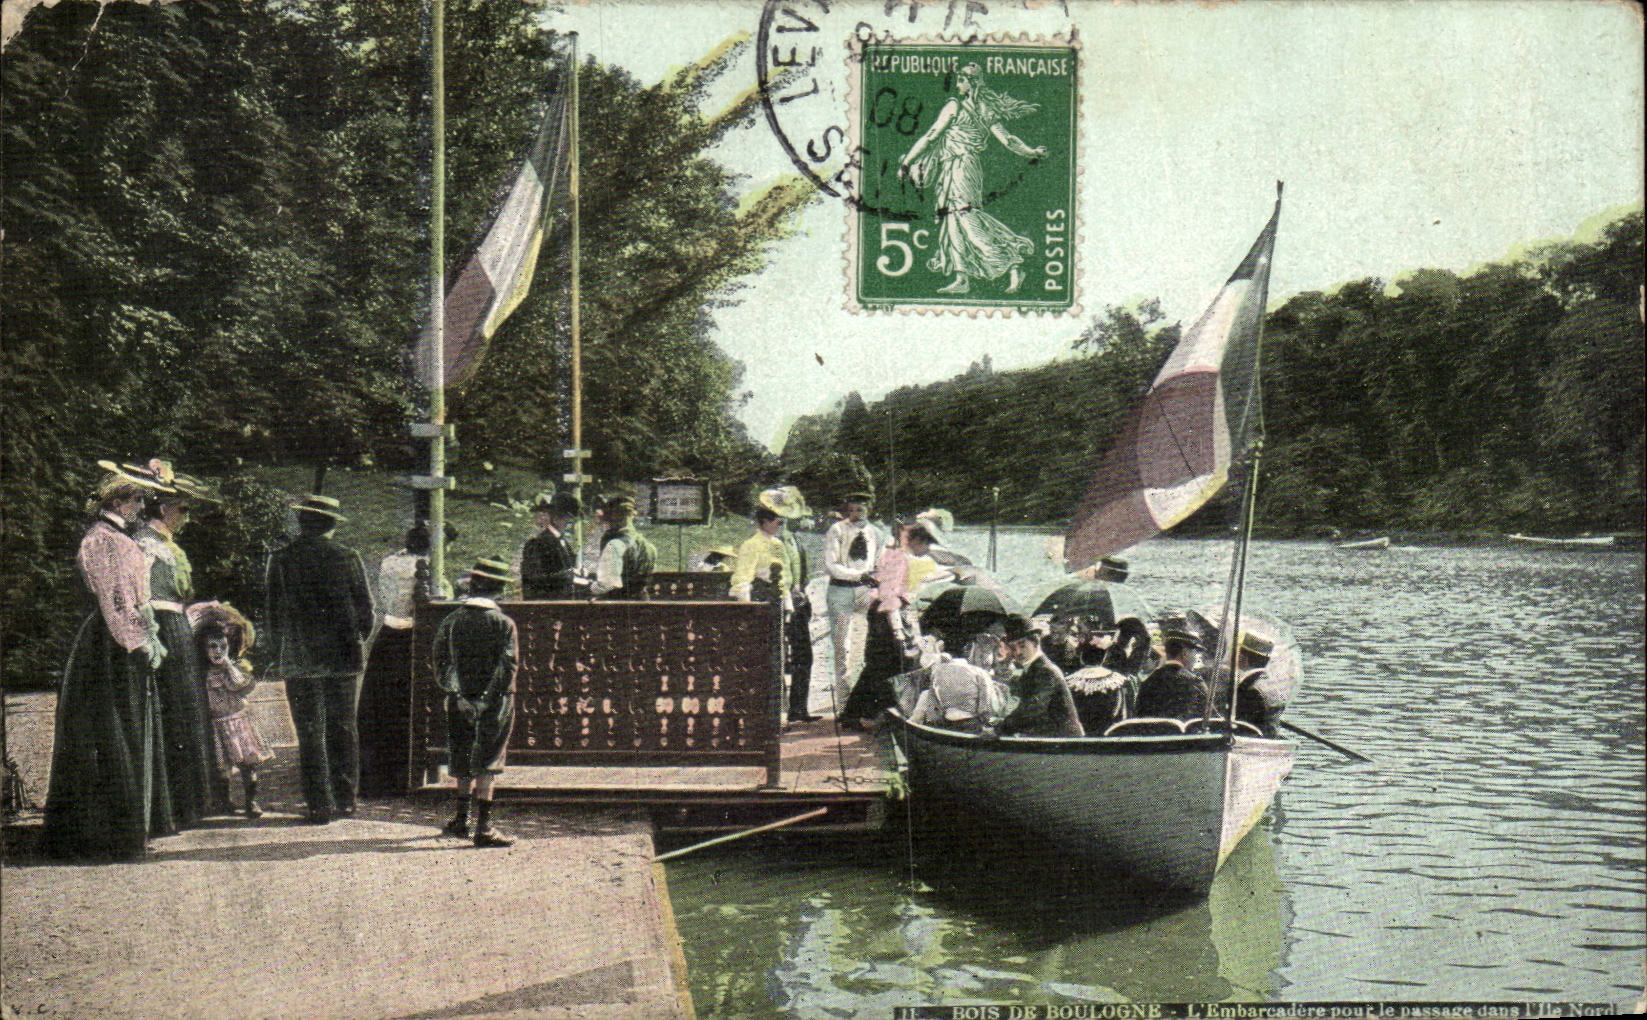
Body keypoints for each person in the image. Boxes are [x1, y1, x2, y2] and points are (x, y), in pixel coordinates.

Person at [43, 461, 177, 860]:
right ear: (118, 500)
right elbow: (116, 603)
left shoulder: (117, 538)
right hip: (109, 645)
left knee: (128, 727)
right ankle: (111, 835)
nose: (141, 507)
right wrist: (141, 644)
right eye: (137, 499)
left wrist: (149, 636)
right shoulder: (103, 540)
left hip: (117, 640)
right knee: (112, 729)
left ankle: (130, 827)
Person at [264, 494, 374, 824]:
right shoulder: (347, 556)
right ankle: (346, 799)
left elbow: (271, 613)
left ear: (302, 523)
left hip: (299, 658)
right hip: (342, 656)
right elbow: (366, 610)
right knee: (343, 726)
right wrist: (355, 639)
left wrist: (277, 651)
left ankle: (318, 804)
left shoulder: (280, 559)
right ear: (331, 525)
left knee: (310, 731)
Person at [897, 62, 1047, 295]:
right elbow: (1009, 141)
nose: (957, 85)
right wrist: (1031, 152)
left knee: (966, 217)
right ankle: (962, 277)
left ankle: (1012, 262)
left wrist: (907, 162)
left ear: (972, 82)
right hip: (952, 166)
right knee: (951, 219)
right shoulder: (986, 109)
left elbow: (931, 135)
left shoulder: (955, 106)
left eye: (961, 80)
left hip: (962, 167)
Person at [133, 471, 226, 825]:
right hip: (164, 627)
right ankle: (175, 805)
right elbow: (150, 592)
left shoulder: (162, 542)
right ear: (166, 508)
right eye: (183, 509)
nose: (186, 517)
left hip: (176, 625)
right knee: (176, 709)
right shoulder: (150, 544)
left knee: (185, 708)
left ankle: (188, 803)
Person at [357, 522, 451, 798]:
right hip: (412, 636)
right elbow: (436, 602)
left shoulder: (389, 562)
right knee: (407, 706)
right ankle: (403, 777)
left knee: (381, 707)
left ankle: (375, 778)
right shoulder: (429, 569)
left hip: (388, 635)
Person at [435, 557, 520, 848]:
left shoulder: (451, 621)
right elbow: (507, 667)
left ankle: (461, 819)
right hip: (494, 704)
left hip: (458, 702)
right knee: (489, 758)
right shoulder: (505, 624)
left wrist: (459, 695)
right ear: (499, 591)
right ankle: (484, 828)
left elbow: (441, 663)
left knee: (460, 752)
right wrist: (484, 700)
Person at [193, 604, 272, 819]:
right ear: (204, 648)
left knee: (248, 763)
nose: (218, 651)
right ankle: (225, 800)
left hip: (238, 721)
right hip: (217, 723)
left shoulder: (236, 667)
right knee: (222, 767)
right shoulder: (203, 672)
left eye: (222, 646)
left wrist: (228, 665)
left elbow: (241, 686)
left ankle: (251, 800)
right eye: (212, 647)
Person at [759, 487, 819, 724]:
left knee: (804, 656)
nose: (783, 519)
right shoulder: (769, 542)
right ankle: (780, 712)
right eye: (778, 515)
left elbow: (802, 569)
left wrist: (802, 590)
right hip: (779, 603)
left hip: (799, 603)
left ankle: (798, 708)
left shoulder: (793, 539)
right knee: (780, 657)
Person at [823, 492, 882, 706]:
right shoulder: (837, 530)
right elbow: (831, 565)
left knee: (863, 646)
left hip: (865, 591)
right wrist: (857, 575)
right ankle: (843, 702)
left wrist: (875, 577)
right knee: (842, 648)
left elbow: (878, 562)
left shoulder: (876, 533)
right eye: (852, 510)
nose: (855, 514)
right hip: (841, 591)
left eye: (860, 510)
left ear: (869, 510)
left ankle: (860, 702)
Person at [996, 615, 1084, 738]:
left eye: (1022, 645)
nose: (1018, 652)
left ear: (1036, 641)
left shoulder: (1046, 670)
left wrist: (999, 728)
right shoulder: (1032, 669)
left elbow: (1033, 708)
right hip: (1048, 739)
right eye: (1013, 647)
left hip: (1066, 745)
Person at [909, 633, 1004, 735]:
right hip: (971, 726)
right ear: (969, 650)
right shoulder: (979, 673)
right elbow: (989, 708)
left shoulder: (937, 672)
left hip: (947, 724)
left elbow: (933, 706)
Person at [588, 495, 657, 599]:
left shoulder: (615, 545)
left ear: (613, 517)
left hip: (619, 607)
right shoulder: (650, 547)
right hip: (642, 605)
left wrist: (588, 586)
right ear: (632, 516)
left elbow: (606, 585)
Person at [1134, 629, 1211, 721]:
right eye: (1194, 653)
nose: (1195, 659)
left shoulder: (1147, 683)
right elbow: (1208, 718)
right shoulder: (1194, 683)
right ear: (1185, 653)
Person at [519, 492, 581, 600]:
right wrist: (565, 575)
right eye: (567, 520)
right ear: (555, 519)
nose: (571, 525)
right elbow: (532, 580)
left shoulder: (564, 543)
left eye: (573, 521)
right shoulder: (537, 544)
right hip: (546, 604)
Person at [730, 507, 791, 609]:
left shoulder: (778, 544)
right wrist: (746, 604)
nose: (779, 527)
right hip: (760, 595)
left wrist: (787, 596)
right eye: (778, 523)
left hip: (779, 593)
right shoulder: (751, 544)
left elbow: (785, 570)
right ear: (766, 523)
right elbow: (743, 574)